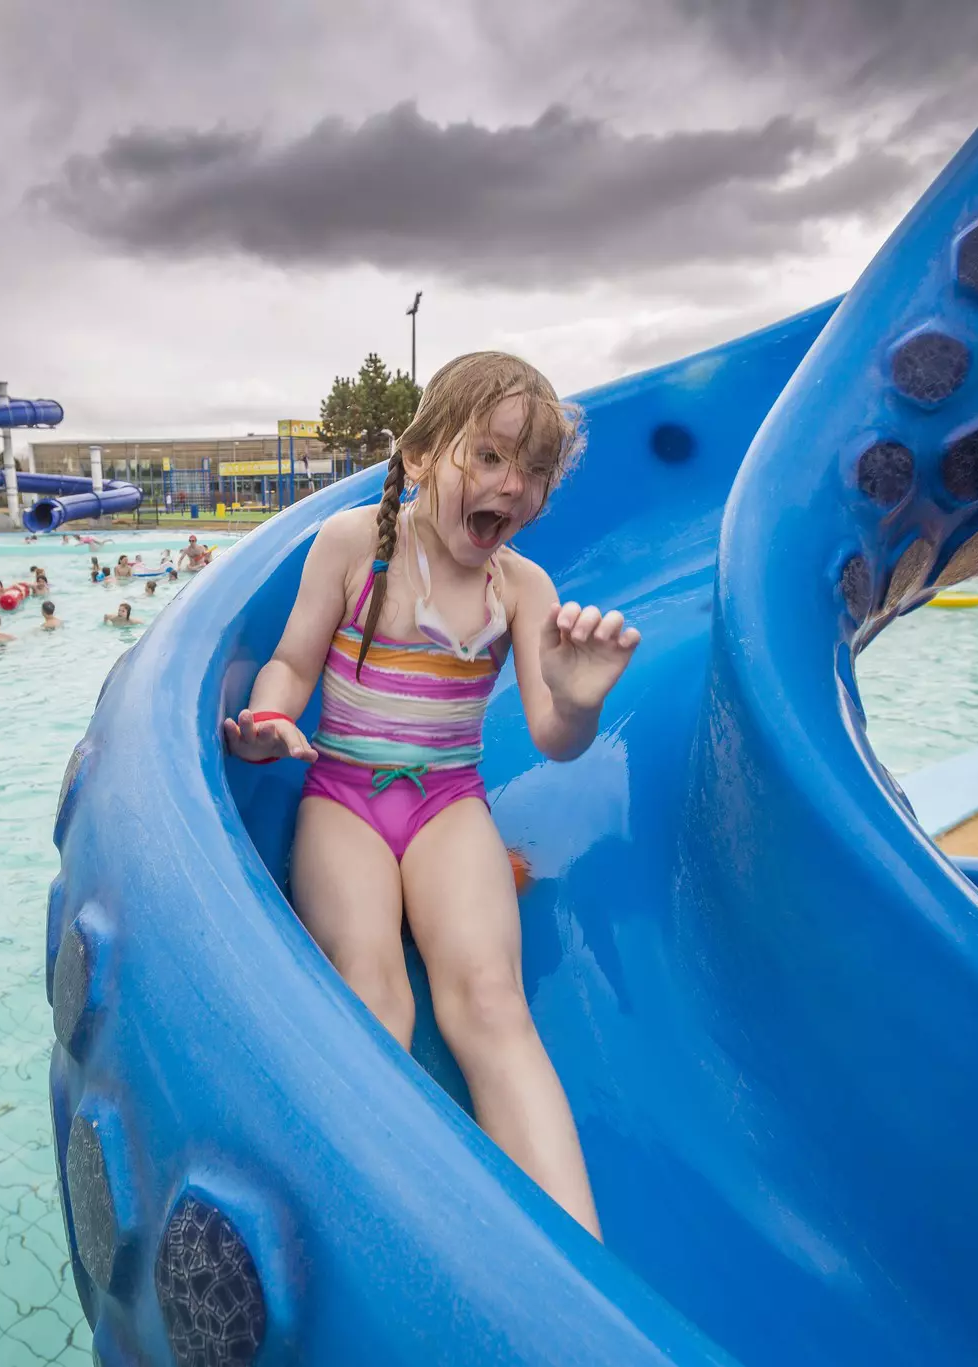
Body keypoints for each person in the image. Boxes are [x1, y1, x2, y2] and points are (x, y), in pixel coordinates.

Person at [219, 352, 640, 1237]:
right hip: (344, 794)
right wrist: (268, 721)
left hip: (449, 805)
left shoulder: (522, 588)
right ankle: (391, 1217)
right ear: (418, 457)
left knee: (491, 1001)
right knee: (372, 986)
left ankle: (577, 1256)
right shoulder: (351, 550)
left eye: (533, 473)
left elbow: (555, 741)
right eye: (489, 457)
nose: (511, 486)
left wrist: (576, 699)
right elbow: (294, 659)